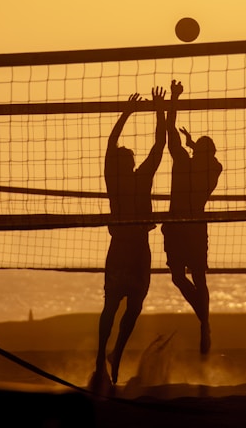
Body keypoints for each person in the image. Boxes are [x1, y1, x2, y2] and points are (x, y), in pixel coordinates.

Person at [92, 86, 166, 387]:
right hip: (125, 248)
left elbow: (158, 146)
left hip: (135, 249)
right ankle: (101, 357)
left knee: (132, 307)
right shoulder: (119, 180)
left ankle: (113, 356)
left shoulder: (137, 178)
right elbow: (113, 145)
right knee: (113, 306)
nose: (124, 163)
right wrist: (136, 112)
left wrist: (155, 111)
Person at [162, 80, 222, 355]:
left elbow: (169, 130)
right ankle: (205, 322)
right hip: (192, 226)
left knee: (181, 277)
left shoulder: (183, 163)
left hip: (178, 226)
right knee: (196, 278)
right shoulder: (212, 171)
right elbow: (208, 157)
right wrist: (193, 143)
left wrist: (172, 101)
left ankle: (204, 321)